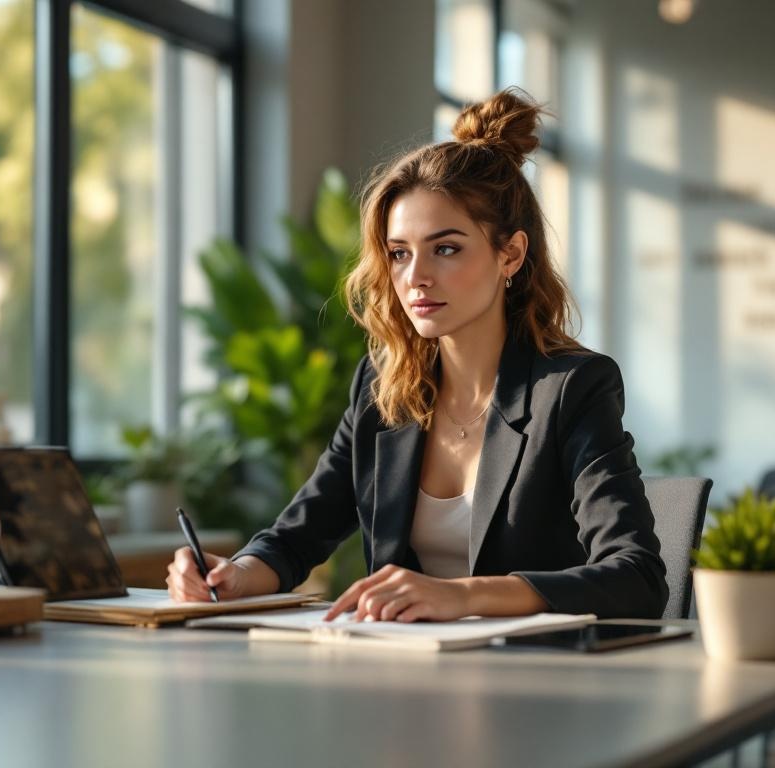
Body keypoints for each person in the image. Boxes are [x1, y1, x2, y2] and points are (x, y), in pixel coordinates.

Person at [167, 88, 668, 622]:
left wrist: (465, 595)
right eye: (399, 253)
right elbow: (296, 537)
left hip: (531, 667)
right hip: (403, 662)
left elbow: (636, 576)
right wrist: (235, 575)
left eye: (445, 249)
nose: (415, 277)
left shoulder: (571, 388)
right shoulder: (382, 386)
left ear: (511, 254)